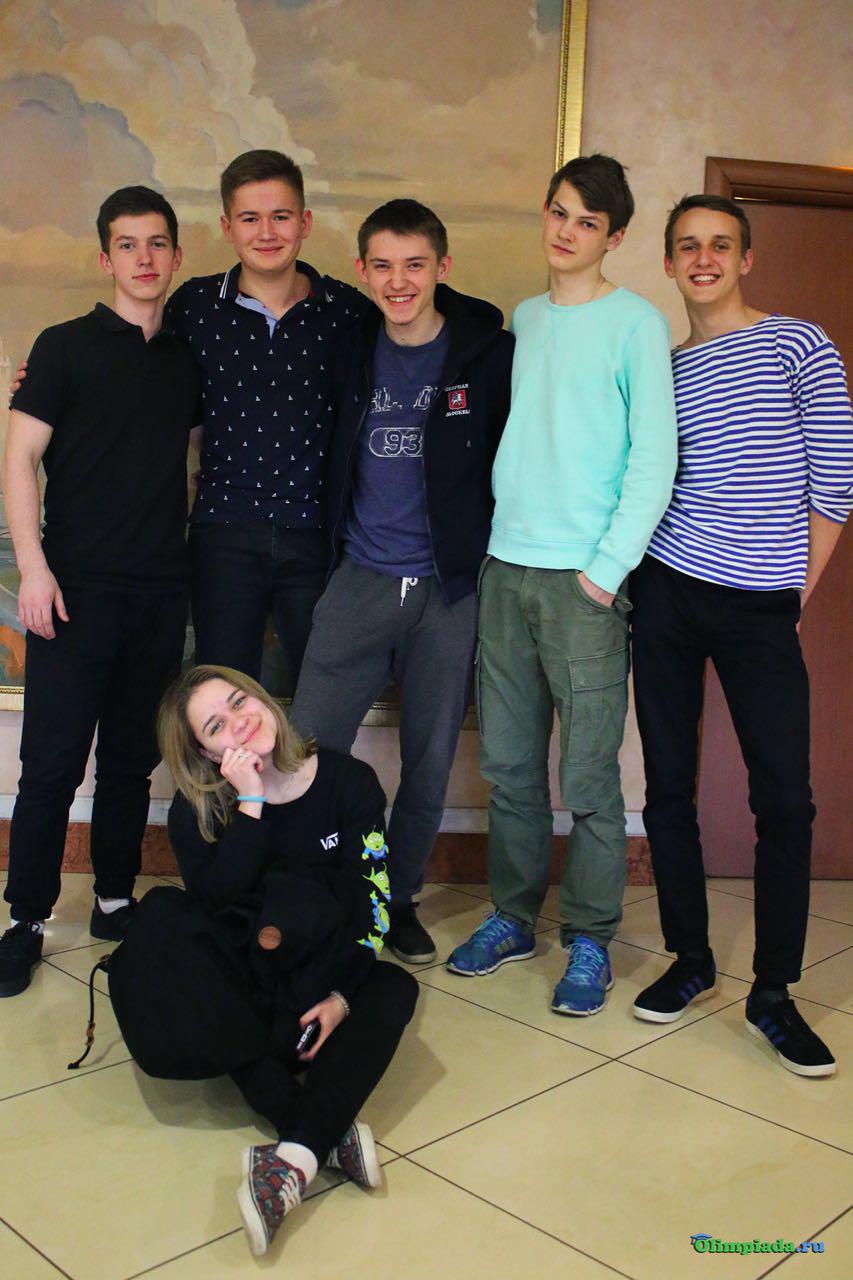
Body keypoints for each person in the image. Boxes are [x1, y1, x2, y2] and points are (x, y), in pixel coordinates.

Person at [447, 155, 677, 1015]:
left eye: (586, 221)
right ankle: (511, 917)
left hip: (584, 585)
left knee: (585, 779)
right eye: (558, 212)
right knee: (509, 768)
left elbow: (654, 460)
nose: (566, 231)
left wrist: (603, 574)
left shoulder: (636, 325)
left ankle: (588, 938)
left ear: (612, 238)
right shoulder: (526, 318)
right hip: (506, 569)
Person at [630, 194, 852, 1076]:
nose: (703, 258)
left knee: (784, 801)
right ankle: (689, 959)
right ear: (668, 262)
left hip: (761, 603)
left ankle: (773, 993)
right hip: (665, 592)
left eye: (719, 244)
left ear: (745, 258)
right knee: (667, 788)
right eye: (687, 246)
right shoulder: (662, 367)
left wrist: (794, 593)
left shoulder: (799, 343)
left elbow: (835, 482)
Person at [108, 664, 418, 1257]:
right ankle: (313, 1135)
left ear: (260, 697)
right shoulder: (197, 810)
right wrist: (249, 803)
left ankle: (292, 1156)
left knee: (393, 988)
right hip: (243, 995)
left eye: (238, 701)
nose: (240, 723)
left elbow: (372, 906)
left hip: (313, 989)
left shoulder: (348, 781)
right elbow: (214, 909)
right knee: (166, 917)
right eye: (216, 726)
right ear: (206, 753)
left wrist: (341, 998)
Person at [289, 199, 514, 964]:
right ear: (361, 271)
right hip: (358, 580)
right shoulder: (347, 349)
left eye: (414, 264)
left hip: (448, 594)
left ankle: (399, 897)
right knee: (305, 752)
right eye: (382, 265)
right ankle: (310, 894)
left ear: (441, 268)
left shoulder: (488, 355)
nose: (398, 281)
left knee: (428, 759)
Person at [0, 187, 201, 998]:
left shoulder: (187, 358)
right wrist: (33, 569)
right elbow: (19, 460)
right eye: (127, 244)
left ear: (177, 256)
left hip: (158, 592)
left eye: (156, 244)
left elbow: (191, 460)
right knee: (51, 763)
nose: (143, 259)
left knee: (129, 760)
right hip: (72, 591)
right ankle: (26, 919)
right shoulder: (62, 348)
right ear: (104, 257)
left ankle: (115, 900)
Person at [164, 149, 367, 692]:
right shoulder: (195, 306)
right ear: (227, 227)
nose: (267, 232)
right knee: (222, 692)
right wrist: (46, 383)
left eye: (281, 216)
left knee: (323, 693)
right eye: (250, 218)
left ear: (305, 222)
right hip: (223, 531)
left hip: (316, 535)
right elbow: (133, 370)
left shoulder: (347, 312)